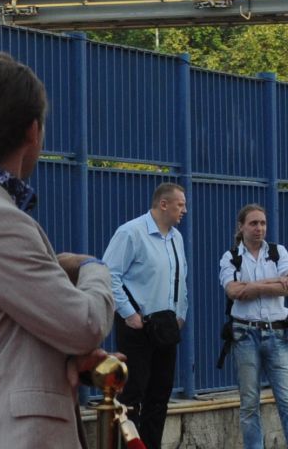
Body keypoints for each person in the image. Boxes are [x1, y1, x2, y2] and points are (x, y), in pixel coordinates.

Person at [0, 53, 115, 448]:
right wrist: (92, 268)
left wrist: (69, 363)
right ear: (33, 131)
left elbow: (6, 342)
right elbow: (85, 324)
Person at [104, 182, 189, 449]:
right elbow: (108, 274)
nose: (184, 210)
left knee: (160, 395)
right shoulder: (131, 232)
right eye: (180, 204)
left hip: (166, 327)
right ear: (163, 204)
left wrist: (180, 314)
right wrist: (129, 314)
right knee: (133, 395)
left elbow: (180, 278)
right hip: (138, 327)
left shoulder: (176, 237)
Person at [219, 204, 288, 449]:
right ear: (241, 227)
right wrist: (272, 282)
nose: (259, 228)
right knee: (249, 404)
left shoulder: (278, 252)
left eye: (263, 223)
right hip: (244, 335)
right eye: (253, 223)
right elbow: (233, 291)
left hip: (276, 334)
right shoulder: (231, 257)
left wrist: (252, 286)